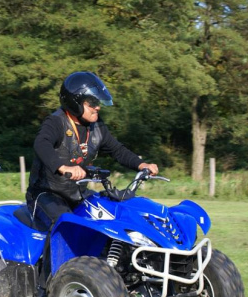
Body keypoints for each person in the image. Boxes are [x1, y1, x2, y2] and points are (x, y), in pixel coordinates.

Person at [26, 71, 159, 227]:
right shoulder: (56, 122)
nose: (98, 107)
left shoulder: (97, 126)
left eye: (98, 102)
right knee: (66, 225)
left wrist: (142, 165)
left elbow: (117, 150)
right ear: (75, 102)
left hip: (78, 194)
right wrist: (62, 167)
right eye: (92, 103)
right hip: (46, 194)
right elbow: (42, 143)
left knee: (111, 214)